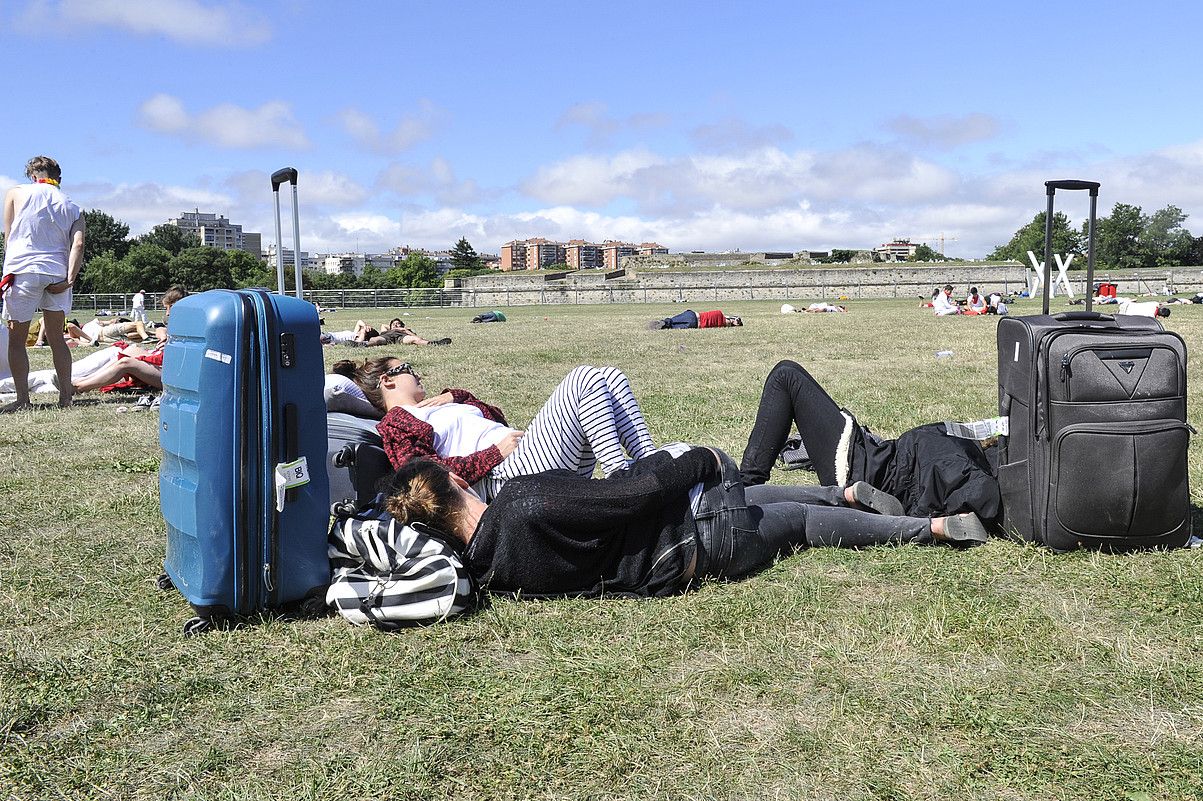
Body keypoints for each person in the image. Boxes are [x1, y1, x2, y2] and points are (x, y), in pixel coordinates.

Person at [380, 448, 988, 599]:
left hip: (679, 559)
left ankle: (848, 491)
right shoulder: (520, 504)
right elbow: (627, 495)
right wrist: (699, 459)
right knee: (797, 519)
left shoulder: (490, 570)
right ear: (456, 482)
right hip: (696, 537)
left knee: (757, 499)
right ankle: (930, 529)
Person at [334, 357, 657, 501]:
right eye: (408, 369)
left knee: (609, 375)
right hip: (505, 478)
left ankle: (649, 461)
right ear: (387, 381)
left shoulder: (438, 405)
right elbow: (420, 474)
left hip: (531, 456)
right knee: (583, 377)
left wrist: (456, 397)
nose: (418, 374)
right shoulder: (397, 422)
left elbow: (495, 416)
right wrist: (495, 453)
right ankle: (620, 474)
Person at [739, 360, 1001, 523]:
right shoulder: (971, 448)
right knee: (788, 374)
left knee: (786, 376)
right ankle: (743, 489)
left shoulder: (976, 476)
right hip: (874, 456)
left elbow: (969, 506)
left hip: (864, 472)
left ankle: (742, 490)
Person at [1, 156, 85, 411]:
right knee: (58, 339)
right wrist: (69, 280)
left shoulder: (16, 193)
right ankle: (65, 398)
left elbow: (9, 236)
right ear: (58, 177)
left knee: (17, 341)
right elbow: (78, 245)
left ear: (32, 175)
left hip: (23, 270)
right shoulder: (73, 206)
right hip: (57, 274)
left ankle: (23, 399)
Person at [72, 286, 188, 395]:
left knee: (126, 363)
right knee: (131, 349)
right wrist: (164, 337)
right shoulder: (177, 324)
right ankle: (81, 380)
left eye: (171, 307)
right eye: (166, 308)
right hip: (164, 365)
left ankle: (79, 387)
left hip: (175, 378)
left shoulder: (194, 327)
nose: (167, 313)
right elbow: (161, 329)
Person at [353, 317, 451, 347]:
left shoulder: (404, 331)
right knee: (377, 340)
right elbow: (383, 325)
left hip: (401, 337)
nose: (396, 325)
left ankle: (434, 343)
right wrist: (393, 327)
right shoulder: (386, 330)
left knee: (414, 339)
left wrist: (404, 330)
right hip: (387, 337)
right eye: (394, 323)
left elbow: (415, 336)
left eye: (398, 323)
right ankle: (362, 344)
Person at [648, 309, 743, 329]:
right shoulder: (723, 324)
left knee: (671, 321)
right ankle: (662, 325)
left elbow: (727, 319)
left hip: (693, 316)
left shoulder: (722, 318)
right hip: (694, 324)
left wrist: (733, 319)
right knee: (672, 326)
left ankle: (662, 323)